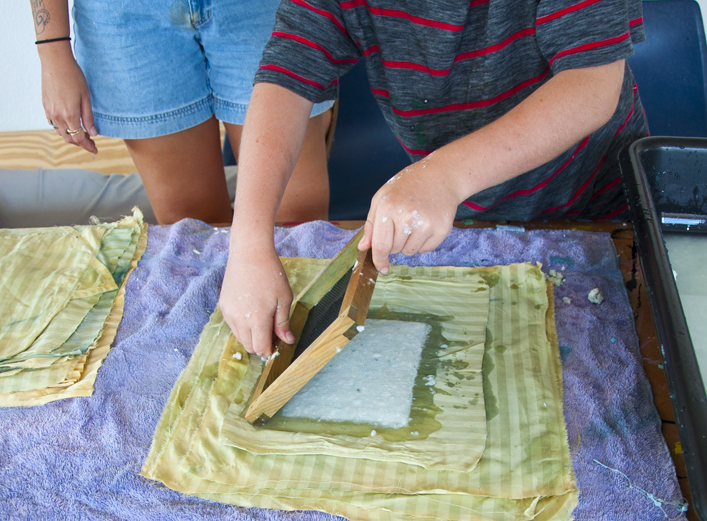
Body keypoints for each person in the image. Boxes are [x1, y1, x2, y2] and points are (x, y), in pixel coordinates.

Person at [220, 0, 648, 356]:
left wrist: (444, 176)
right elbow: (287, 75)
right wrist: (248, 244)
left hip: (595, 211)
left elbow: (591, 87)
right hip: (470, 219)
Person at [29, 0, 334, 225]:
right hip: (129, 16)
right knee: (192, 229)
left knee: (299, 220)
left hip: (256, 7)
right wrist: (52, 49)